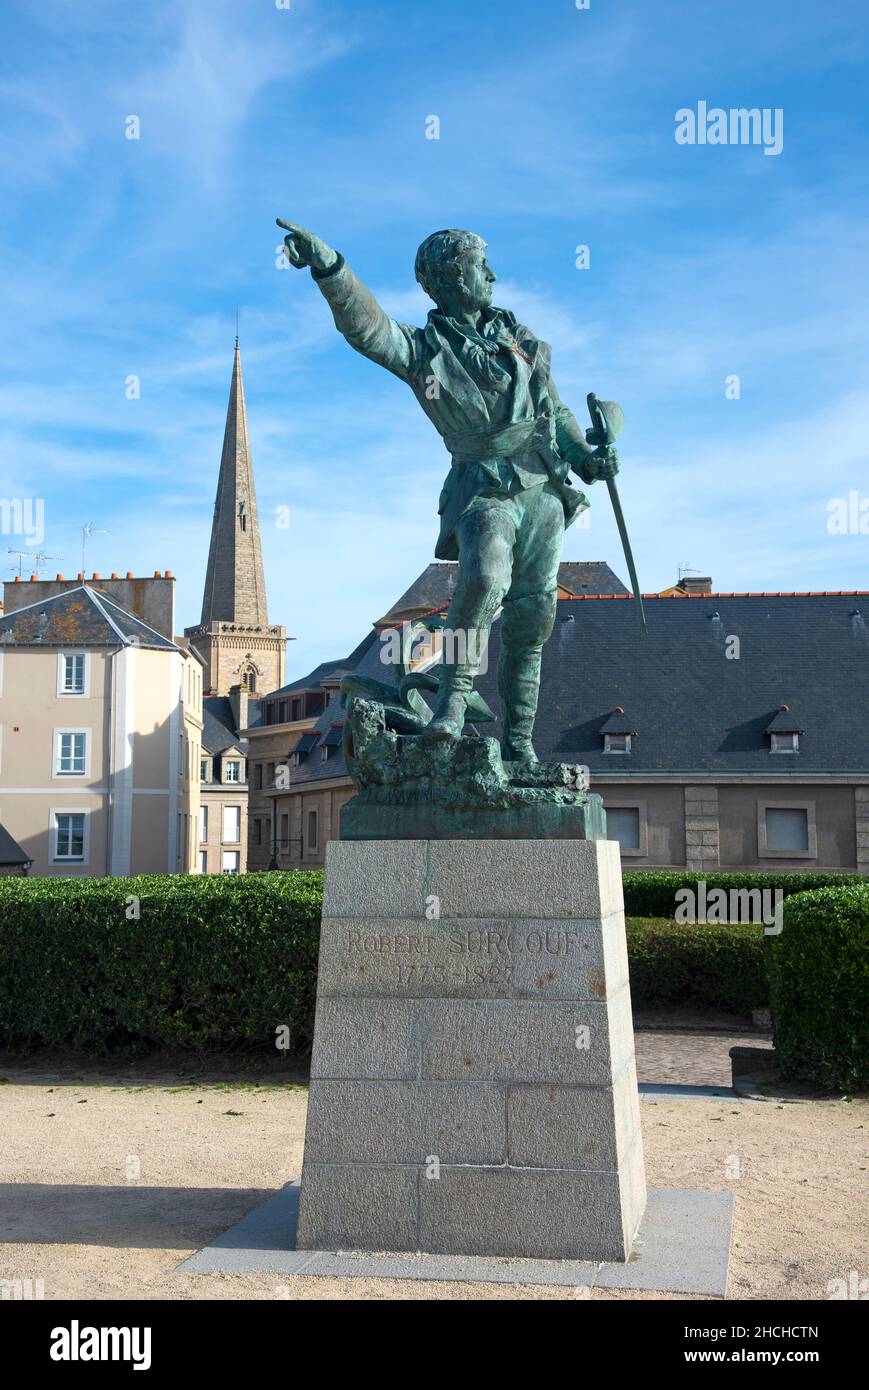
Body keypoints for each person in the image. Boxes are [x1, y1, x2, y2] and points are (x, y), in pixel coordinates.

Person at [279, 223, 619, 763]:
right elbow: (369, 329)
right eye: (480, 265)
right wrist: (331, 269)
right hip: (482, 484)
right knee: (484, 577)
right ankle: (454, 701)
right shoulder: (425, 351)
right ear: (449, 277)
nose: (492, 274)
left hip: (542, 488)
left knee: (533, 617)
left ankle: (518, 744)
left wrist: (587, 458)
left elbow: (554, 414)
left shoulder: (521, 341)